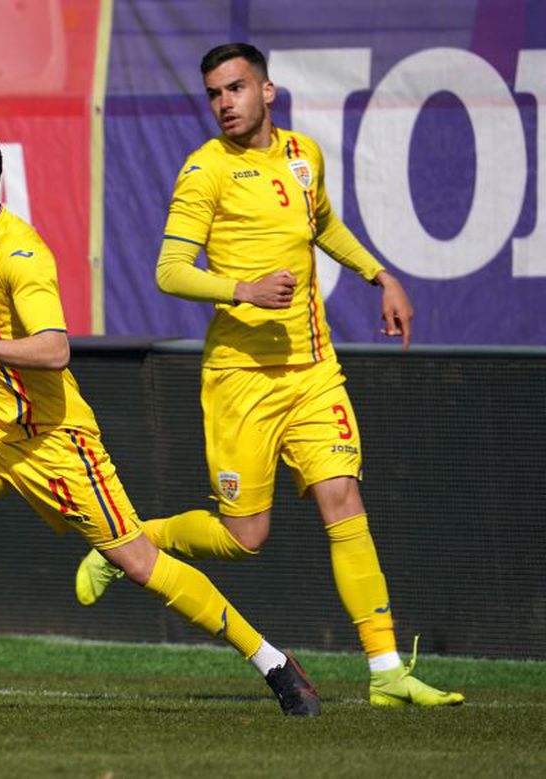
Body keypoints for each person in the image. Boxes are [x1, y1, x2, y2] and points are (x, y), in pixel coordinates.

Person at [0, 128, 320, 716]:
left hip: (54, 440)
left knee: (140, 563)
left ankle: (274, 663)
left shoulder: (21, 254)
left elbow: (55, 349)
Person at [73, 43, 463, 707]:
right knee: (245, 536)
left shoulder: (303, 156)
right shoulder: (206, 170)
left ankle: (387, 670)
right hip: (240, 379)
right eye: (214, 93)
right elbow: (169, 270)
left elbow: (323, 225)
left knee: (343, 498)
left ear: (267, 91)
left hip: (313, 370)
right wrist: (243, 290)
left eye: (236, 88)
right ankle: (132, 541)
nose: (224, 103)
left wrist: (381, 275)